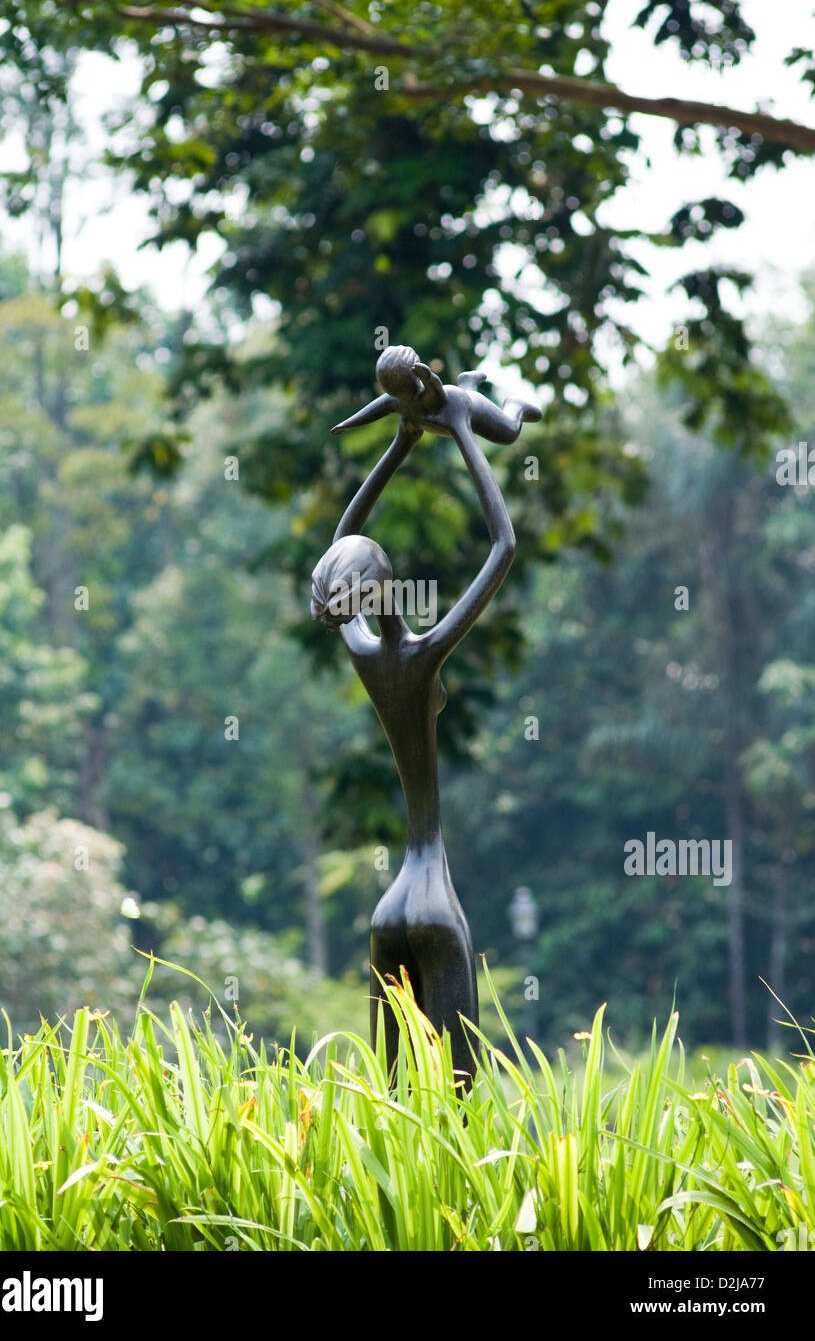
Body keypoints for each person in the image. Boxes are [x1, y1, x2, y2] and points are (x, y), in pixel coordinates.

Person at [311, 345, 539, 1087]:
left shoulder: (362, 654)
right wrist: (465, 435)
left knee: (388, 1098)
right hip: (433, 888)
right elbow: (503, 545)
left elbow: (342, 542)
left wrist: (399, 445)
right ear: (389, 586)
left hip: (390, 903)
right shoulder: (421, 653)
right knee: (461, 1093)